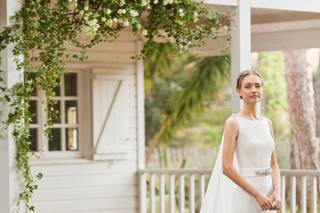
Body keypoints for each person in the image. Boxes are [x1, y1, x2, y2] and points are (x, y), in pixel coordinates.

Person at [200, 69, 281, 213]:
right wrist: (256, 194)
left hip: (268, 194)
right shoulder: (233, 123)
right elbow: (227, 167)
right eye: (248, 86)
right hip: (246, 194)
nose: (254, 90)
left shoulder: (267, 123)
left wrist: (277, 191)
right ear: (239, 91)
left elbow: (274, 164)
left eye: (258, 85)